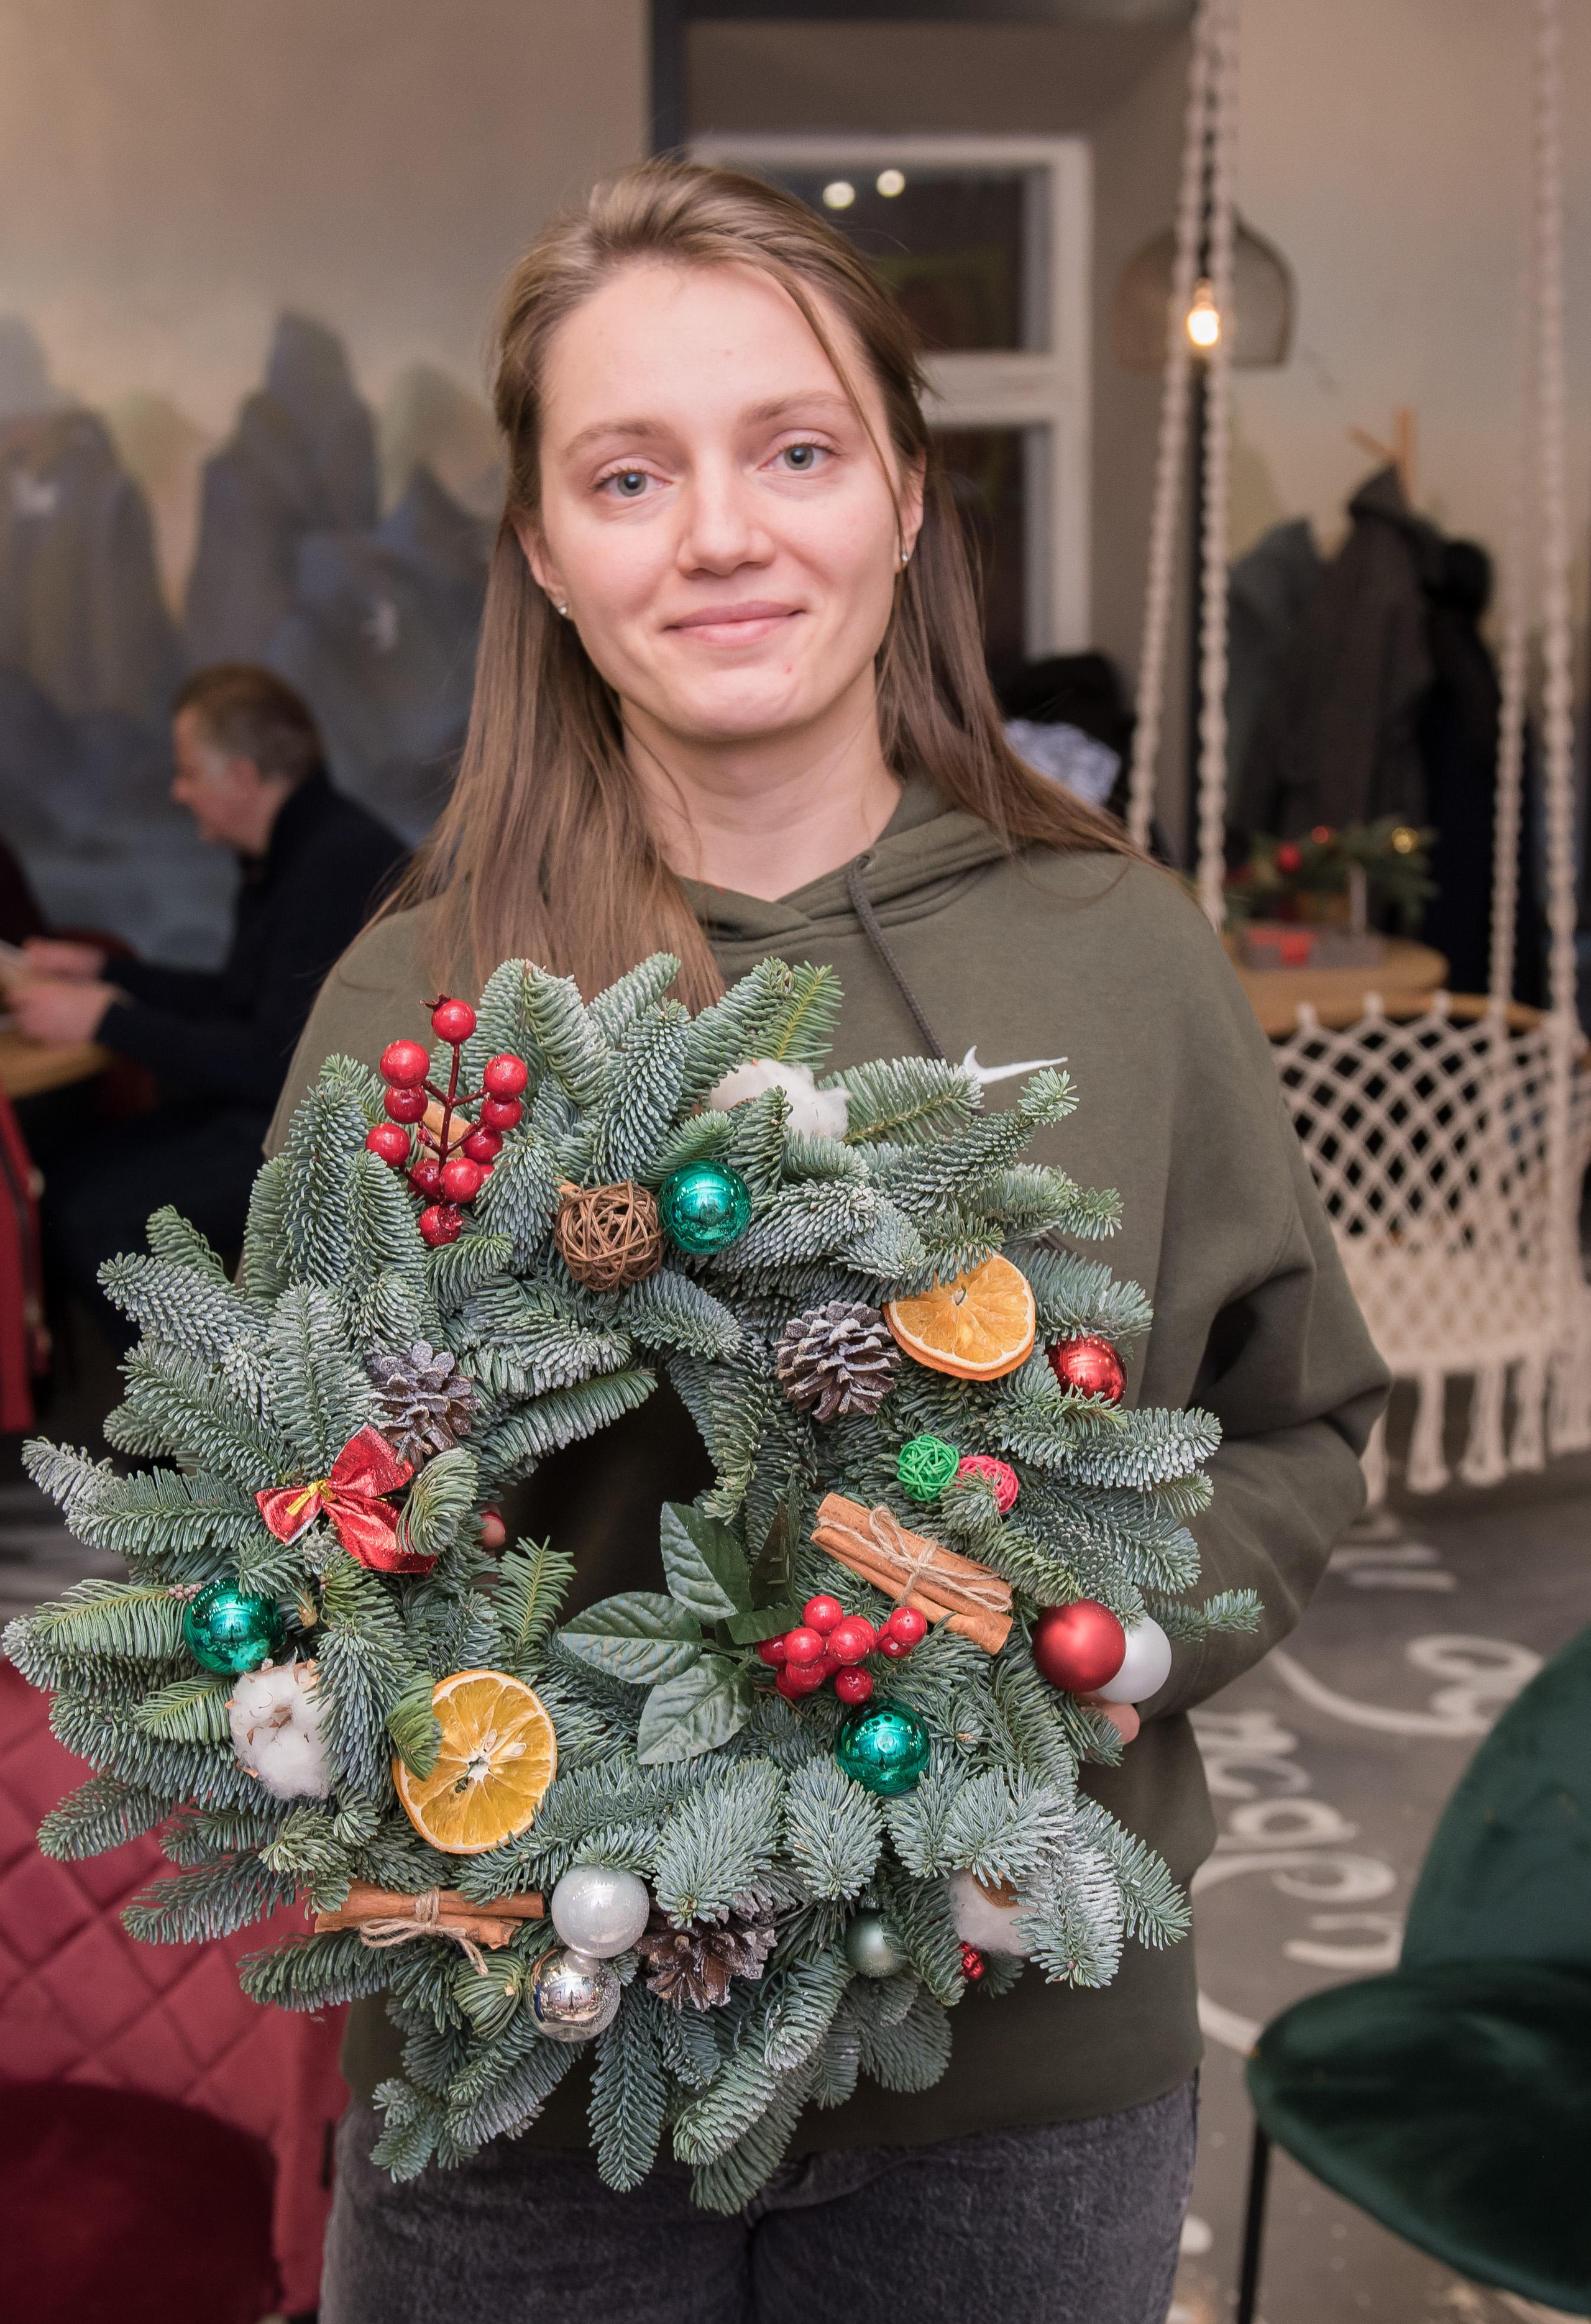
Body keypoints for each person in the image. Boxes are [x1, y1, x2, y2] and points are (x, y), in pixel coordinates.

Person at [268, 163, 1388, 2324]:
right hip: (524, 2051)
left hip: (1012, 2055)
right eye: (627, 472)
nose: (718, 534)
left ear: (900, 495)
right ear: (544, 550)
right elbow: (285, 1507)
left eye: (792, 450)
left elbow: (1299, 1431)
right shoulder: (423, 1008)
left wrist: (1080, 1639)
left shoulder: (1118, 957)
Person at [8, 665, 405, 1340]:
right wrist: (109, 973)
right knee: (70, 1174)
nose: (178, 789)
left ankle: (215, 1420)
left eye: (189, 771)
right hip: (278, 1114)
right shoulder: (297, 848)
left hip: (320, 1143)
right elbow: (238, 1001)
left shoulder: (332, 866)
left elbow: (271, 1064)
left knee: (87, 1211)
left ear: (244, 777)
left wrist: (106, 1017)